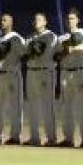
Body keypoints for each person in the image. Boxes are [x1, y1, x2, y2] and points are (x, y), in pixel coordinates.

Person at [54, 8, 83, 148]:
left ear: (78, 20)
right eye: (68, 19)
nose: (69, 21)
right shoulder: (61, 38)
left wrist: (74, 48)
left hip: (80, 72)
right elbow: (56, 57)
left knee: (82, 107)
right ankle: (68, 139)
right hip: (65, 73)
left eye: (72, 18)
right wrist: (64, 52)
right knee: (66, 107)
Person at [0, 13, 26, 145]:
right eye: (1, 20)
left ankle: (15, 136)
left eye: (5, 20)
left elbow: (23, 55)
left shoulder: (16, 38)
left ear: (11, 23)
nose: (1, 22)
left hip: (12, 74)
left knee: (15, 106)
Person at [23, 12, 58, 147]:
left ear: (45, 22)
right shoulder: (30, 38)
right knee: (32, 107)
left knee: (47, 106)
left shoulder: (51, 36)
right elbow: (26, 55)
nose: (36, 21)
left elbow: (56, 54)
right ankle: (34, 137)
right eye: (35, 19)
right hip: (31, 72)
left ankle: (51, 138)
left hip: (45, 72)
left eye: (39, 19)